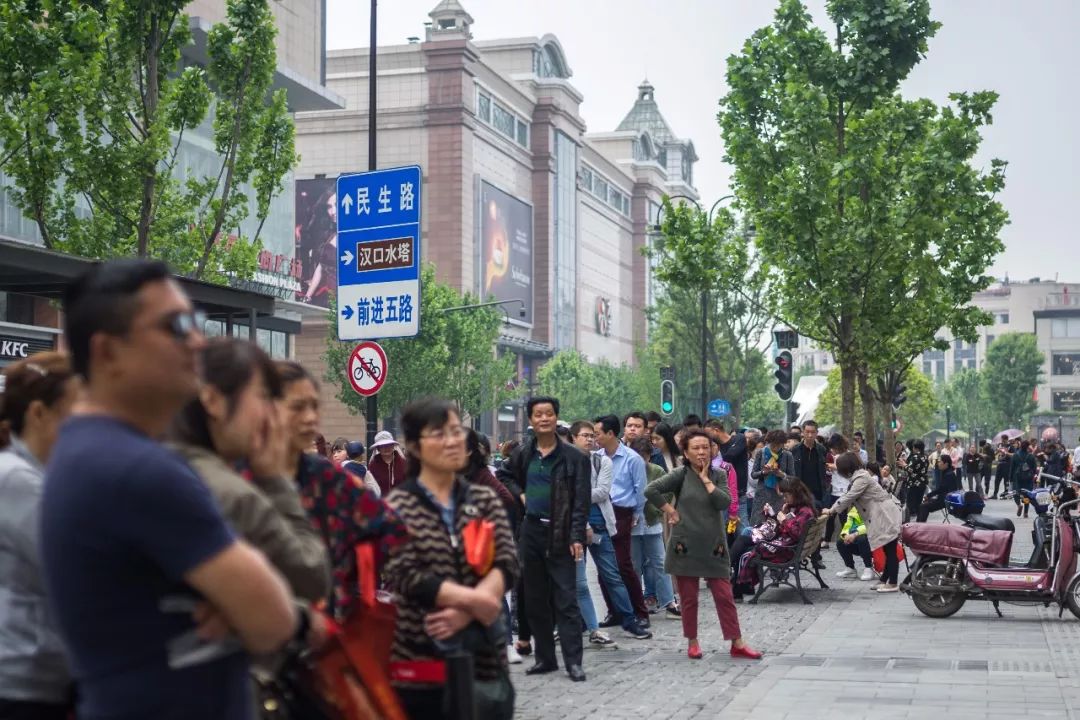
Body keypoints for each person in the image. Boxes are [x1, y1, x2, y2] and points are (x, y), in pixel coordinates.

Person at [41, 260, 297, 720]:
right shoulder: (138, 470)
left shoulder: (85, 450)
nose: (197, 340)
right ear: (107, 352)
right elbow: (274, 619)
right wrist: (236, 603)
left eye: (195, 322)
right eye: (176, 326)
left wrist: (231, 602)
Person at [383, 399, 519, 719]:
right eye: (439, 433)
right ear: (414, 447)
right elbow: (406, 574)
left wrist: (469, 612)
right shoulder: (398, 506)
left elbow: (507, 562)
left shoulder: (483, 499)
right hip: (422, 654)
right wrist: (477, 603)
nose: (453, 441)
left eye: (457, 431)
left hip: (483, 657)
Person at [171, 338, 331, 607]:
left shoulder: (162, 464)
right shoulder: (235, 495)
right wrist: (275, 481)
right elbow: (312, 576)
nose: (271, 414)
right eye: (263, 397)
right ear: (212, 400)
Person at [275, 361, 407, 621]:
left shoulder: (325, 476)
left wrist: (349, 576)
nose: (310, 417)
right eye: (298, 407)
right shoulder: (242, 478)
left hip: (326, 627)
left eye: (315, 407)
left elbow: (393, 530)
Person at [0, 353, 80, 719]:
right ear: (38, 413)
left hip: (40, 676)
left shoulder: (38, 476)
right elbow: (77, 565)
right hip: (21, 682)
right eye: (76, 413)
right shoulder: (16, 478)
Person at [645, 430, 762, 661]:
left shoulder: (720, 474)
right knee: (689, 598)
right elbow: (651, 490)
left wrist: (706, 479)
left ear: (712, 450)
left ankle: (737, 642)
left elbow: (724, 502)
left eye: (705, 447)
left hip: (714, 545)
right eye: (696, 448)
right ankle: (693, 642)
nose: (701, 452)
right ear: (686, 452)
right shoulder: (679, 474)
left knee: (724, 596)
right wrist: (670, 510)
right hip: (685, 544)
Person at [497, 397, 590, 681]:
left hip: (562, 533)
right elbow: (504, 475)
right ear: (531, 420)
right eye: (538, 414)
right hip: (531, 532)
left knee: (566, 600)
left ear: (556, 417)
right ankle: (545, 659)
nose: (544, 419)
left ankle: (574, 662)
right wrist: (521, 494)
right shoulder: (524, 454)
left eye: (549, 413)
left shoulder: (575, 457)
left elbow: (581, 502)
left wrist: (576, 535)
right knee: (534, 600)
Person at [568, 421, 651, 644]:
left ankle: (629, 619)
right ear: (573, 438)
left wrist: (574, 493)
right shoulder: (564, 462)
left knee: (613, 575)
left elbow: (603, 492)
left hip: (601, 525)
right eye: (585, 435)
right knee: (578, 581)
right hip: (574, 527)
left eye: (592, 435)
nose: (589, 439)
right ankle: (582, 623)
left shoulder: (601, 460)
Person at [591, 414, 650, 627]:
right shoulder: (595, 458)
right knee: (603, 566)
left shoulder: (632, 459)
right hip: (600, 512)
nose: (594, 438)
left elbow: (641, 490)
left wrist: (636, 514)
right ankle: (614, 611)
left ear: (610, 433)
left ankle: (640, 612)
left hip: (623, 513)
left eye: (597, 433)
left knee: (623, 564)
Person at [825, 452, 903, 593]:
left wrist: (832, 510)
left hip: (885, 515)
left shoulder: (861, 478)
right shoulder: (860, 476)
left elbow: (850, 496)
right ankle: (884, 580)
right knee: (887, 549)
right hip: (882, 514)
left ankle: (893, 583)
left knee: (890, 550)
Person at [731, 477, 818, 600]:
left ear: (796, 493)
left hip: (785, 549)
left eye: (786, 495)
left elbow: (796, 533)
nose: (784, 499)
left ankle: (735, 583)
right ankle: (740, 585)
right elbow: (783, 529)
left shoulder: (805, 511)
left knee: (745, 550)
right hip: (786, 545)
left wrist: (784, 520)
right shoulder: (798, 508)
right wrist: (773, 515)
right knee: (744, 541)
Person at [629, 436, 678, 619]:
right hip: (632, 524)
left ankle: (669, 602)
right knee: (634, 565)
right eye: (639, 455)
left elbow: (668, 491)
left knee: (660, 562)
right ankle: (635, 604)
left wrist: (657, 509)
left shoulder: (656, 470)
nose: (642, 460)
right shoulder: (626, 470)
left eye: (645, 456)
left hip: (652, 522)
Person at [749, 429, 794, 525]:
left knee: (777, 524)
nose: (775, 448)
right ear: (768, 443)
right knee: (758, 524)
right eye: (773, 445)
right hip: (762, 495)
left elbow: (792, 478)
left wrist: (781, 474)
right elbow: (753, 474)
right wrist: (763, 472)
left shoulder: (787, 455)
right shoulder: (761, 453)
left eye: (778, 445)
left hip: (779, 496)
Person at [834, 506, 876, 581]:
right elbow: (846, 527)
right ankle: (850, 569)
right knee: (840, 542)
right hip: (856, 542)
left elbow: (870, 526)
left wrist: (855, 534)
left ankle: (869, 568)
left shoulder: (872, 509)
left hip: (872, 544)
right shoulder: (853, 511)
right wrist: (845, 536)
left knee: (862, 538)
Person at [790, 420, 828, 505]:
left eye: (813, 432)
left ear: (817, 433)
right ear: (802, 432)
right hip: (800, 491)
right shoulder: (795, 450)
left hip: (818, 492)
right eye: (807, 432)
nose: (810, 435)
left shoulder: (822, 449)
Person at [916, 454, 961, 523]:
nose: (938, 464)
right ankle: (918, 525)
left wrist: (929, 496)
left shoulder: (949, 474)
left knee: (923, 506)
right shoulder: (946, 472)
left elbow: (941, 489)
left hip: (945, 500)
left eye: (940, 462)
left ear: (946, 464)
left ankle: (920, 526)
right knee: (922, 505)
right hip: (943, 498)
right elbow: (942, 489)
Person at [370, 430, 408, 496]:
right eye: (382, 446)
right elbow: (370, 487)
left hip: (400, 500)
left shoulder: (403, 463)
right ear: (378, 448)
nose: (386, 448)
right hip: (380, 501)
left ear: (393, 446)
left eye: (389, 445)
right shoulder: (373, 465)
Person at [1011, 440, 1038, 518]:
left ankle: (1019, 505)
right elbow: (1034, 468)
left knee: (1016, 492)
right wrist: (1033, 475)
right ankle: (1025, 513)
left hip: (1017, 477)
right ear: (1028, 447)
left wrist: (1010, 478)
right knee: (1026, 495)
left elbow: (1012, 468)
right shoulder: (1031, 456)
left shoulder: (1015, 455)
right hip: (1028, 478)